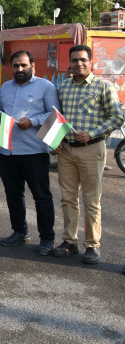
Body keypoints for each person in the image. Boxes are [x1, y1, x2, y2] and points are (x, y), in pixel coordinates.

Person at [52, 45, 124, 264]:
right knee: (67, 198)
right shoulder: (63, 88)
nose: (79, 64)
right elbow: (56, 117)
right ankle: (69, 242)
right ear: (70, 64)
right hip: (66, 150)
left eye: (83, 60)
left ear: (91, 62)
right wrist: (54, 142)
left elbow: (117, 118)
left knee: (92, 200)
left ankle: (92, 245)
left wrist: (91, 133)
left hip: (92, 149)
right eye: (74, 60)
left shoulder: (104, 86)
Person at [0, 51, 59, 255]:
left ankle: (47, 238)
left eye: (23, 65)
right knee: (13, 194)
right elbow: (1, 111)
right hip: (8, 151)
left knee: (42, 197)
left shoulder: (45, 86)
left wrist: (33, 121)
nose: (19, 69)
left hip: (34, 152)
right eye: (16, 66)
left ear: (33, 66)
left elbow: (54, 114)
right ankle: (20, 232)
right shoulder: (5, 87)